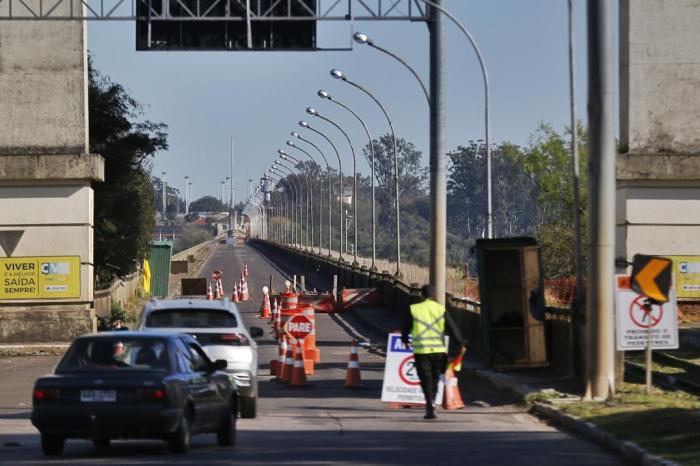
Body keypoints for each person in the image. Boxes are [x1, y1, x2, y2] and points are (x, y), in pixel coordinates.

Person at [402, 284, 465, 420]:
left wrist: (405, 339)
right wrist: (460, 343)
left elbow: (406, 326)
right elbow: (452, 327)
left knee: (425, 378)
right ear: (434, 295)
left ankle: (429, 402)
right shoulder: (440, 309)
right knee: (436, 378)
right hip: (438, 350)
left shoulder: (414, 309)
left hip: (421, 350)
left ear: (422, 294)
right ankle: (432, 402)